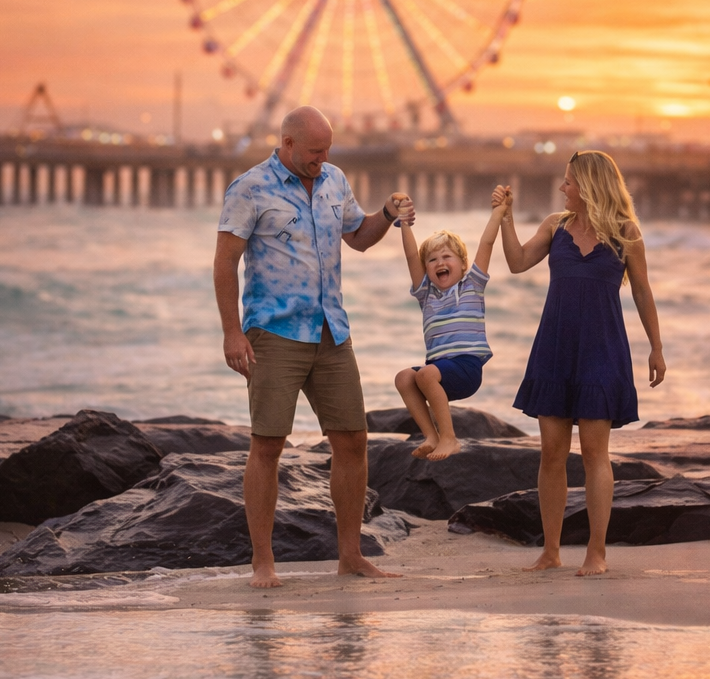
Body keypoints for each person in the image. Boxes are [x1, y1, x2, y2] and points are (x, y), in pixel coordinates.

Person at [213, 104, 412, 588]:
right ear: (287, 145)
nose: (322, 159)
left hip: (331, 332)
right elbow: (224, 264)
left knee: (353, 440)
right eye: (314, 151)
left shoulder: (334, 180)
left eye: (327, 151)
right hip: (273, 333)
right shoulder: (249, 188)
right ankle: (263, 562)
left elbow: (359, 238)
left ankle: (350, 556)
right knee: (267, 445)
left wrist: (385, 214)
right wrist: (232, 332)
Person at [496, 150, 666, 578]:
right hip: (555, 347)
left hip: (601, 349)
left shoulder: (627, 232)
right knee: (551, 452)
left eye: (568, 181)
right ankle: (551, 551)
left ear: (589, 185)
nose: (562, 187)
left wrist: (656, 347)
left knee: (595, 452)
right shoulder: (555, 227)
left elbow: (642, 292)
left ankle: (596, 553)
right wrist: (505, 217)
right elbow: (516, 263)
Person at [392, 192, 507, 461]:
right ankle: (431, 435)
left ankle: (449, 438)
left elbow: (487, 242)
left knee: (425, 374)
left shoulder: (473, 285)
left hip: (466, 368)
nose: (440, 263)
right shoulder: (426, 294)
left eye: (447, 257)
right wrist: (404, 224)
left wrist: (499, 212)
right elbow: (411, 256)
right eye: (432, 260)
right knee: (404, 377)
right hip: (440, 374)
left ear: (463, 264)